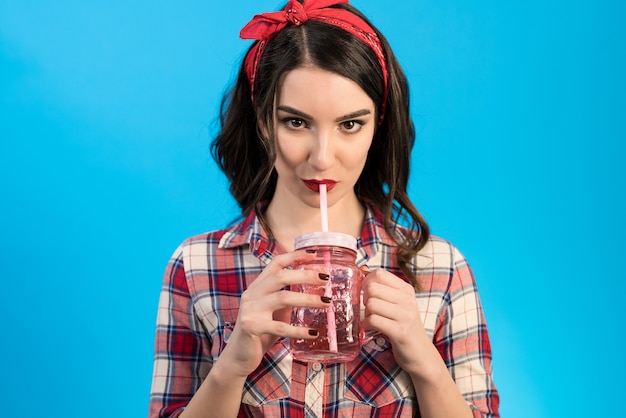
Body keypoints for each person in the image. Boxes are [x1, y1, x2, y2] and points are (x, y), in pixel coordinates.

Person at [148, 0, 499, 417]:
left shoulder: (439, 268)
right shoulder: (196, 265)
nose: (321, 158)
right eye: (295, 122)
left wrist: (424, 362)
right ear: (263, 122)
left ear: (378, 125)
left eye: (350, 124)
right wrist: (231, 367)